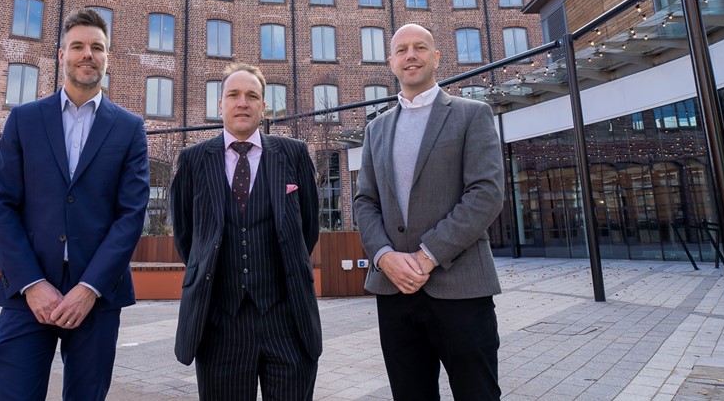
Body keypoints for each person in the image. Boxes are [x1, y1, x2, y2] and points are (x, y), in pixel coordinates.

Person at [0, 8, 150, 401]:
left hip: (96, 294)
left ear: (107, 57)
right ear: (62, 55)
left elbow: (131, 216)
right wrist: (31, 284)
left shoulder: (129, 128)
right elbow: (2, 204)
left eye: (97, 47)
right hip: (28, 291)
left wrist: (89, 288)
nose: (87, 54)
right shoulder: (24, 120)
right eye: (77, 46)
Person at [353, 23, 506, 400]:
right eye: (401, 50)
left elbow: (486, 193)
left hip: (462, 289)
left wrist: (427, 256)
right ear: (391, 62)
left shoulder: (472, 115)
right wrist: (384, 256)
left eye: (419, 47)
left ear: (436, 57)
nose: (410, 56)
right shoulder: (377, 129)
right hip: (394, 292)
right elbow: (364, 202)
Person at [171, 63, 322, 400]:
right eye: (234, 95)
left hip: (287, 320)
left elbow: (308, 229)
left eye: (252, 96)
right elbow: (186, 237)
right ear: (220, 105)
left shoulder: (293, 154)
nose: (243, 103)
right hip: (219, 324)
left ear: (263, 106)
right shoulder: (193, 160)